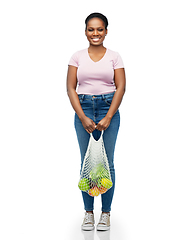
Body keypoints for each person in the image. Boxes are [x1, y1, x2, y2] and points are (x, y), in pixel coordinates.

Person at [66, 12, 126, 231]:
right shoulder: (77, 57)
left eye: (100, 29)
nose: (95, 33)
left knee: (107, 163)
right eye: (91, 29)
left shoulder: (115, 56)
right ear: (85, 32)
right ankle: (89, 213)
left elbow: (121, 87)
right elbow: (70, 88)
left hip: (108, 108)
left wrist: (109, 116)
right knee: (87, 162)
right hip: (83, 110)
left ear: (106, 31)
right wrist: (82, 117)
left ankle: (106, 214)